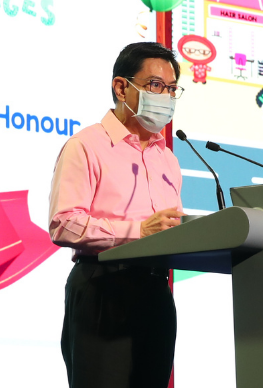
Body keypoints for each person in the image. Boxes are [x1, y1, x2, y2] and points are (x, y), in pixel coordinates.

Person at [50, 41, 187, 388]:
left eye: (172, 89)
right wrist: (137, 231)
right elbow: (63, 224)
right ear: (121, 87)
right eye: (156, 85)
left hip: (156, 293)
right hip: (103, 289)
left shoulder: (167, 158)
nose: (166, 97)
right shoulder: (86, 146)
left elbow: (169, 228)